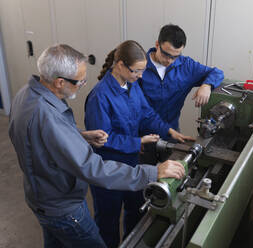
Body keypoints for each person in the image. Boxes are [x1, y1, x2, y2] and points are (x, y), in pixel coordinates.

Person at [8, 44, 185, 248]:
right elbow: (92, 168)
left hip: (42, 197)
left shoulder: (27, 94)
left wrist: (80, 136)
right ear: (59, 82)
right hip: (63, 205)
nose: (83, 84)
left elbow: (43, 137)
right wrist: (152, 173)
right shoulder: (53, 113)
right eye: (80, 81)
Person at [84, 40, 194, 247]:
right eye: (137, 71)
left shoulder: (132, 86)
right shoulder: (99, 97)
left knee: (136, 212)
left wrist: (170, 131)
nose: (141, 76)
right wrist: (138, 141)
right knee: (108, 221)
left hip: (133, 163)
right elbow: (102, 139)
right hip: (108, 169)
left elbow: (146, 114)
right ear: (120, 65)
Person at [138, 24, 224, 164]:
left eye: (175, 56)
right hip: (144, 135)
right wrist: (134, 139)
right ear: (157, 44)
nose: (169, 61)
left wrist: (207, 85)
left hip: (172, 133)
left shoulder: (186, 66)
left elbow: (217, 72)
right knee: (145, 178)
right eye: (166, 54)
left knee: (173, 175)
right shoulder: (139, 67)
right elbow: (131, 108)